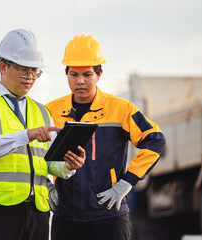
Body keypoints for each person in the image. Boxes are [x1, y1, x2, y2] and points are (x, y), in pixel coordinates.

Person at [0, 29, 85, 240]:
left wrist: (68, 166)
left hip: (37, 211)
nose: (30, 78)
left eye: (35, 72)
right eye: (24, 71)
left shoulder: (42, 111)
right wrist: (27, 134)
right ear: (3, 67)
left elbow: (46, 163)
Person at [45, 34, 166, 240]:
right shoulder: (50, 111)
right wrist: (45, 185)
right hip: (66, 216)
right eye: (74, 74)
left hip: (109, 213)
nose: (80, 81)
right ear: (66, 73)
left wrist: (126, 182)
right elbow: (32, 154)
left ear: (99, 74)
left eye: (87, 74)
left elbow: (155, 140)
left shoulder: (121, 109)